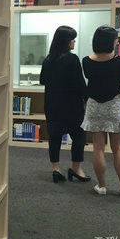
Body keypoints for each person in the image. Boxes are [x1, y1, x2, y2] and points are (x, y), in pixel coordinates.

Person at [81, 26, 120, 197]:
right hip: (113, 106)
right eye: (116, 40)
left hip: (94, 106)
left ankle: (102, 186)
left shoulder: (86, 61)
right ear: (111, 41)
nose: (117, 42)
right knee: (117, 149)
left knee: (98, 148)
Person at [39, 26, 89, 184]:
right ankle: (76, 168)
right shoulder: (72, 59)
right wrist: (87, 98)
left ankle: (56, 169)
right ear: (66, 41)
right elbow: (80, 84)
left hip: (52, 104)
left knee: (54, 137)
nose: (74, 41)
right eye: (72, 39)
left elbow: (42, 80)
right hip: (71, 105)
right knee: (79, 136)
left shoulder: (48, 59)